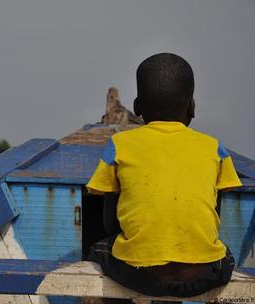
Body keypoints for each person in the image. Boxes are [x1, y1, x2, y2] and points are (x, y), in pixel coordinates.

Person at [86, 53, 242, 300]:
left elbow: (110, 223)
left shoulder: (119, 145)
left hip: (141, 275)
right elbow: (213, 222)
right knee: (223, 255)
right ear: (192, 106)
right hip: (202, 276)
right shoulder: (214, 148)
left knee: (99, 249)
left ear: (137, 108)